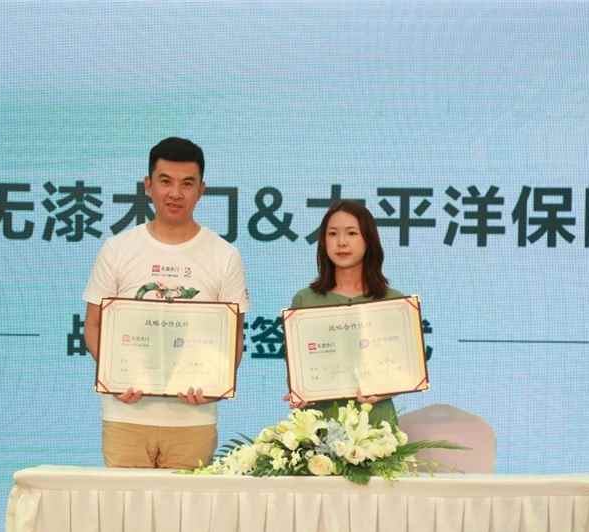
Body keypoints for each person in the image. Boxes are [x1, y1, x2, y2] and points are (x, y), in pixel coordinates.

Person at [82, 137, 248, 469]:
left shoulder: (225, 255)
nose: (175, 193)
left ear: (201, 190)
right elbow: (94, 325)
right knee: (125, 504)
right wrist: (114, 378)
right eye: (165, 181)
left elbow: (234, 338)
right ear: (148, 186)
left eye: (187, 183)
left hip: (193, 419)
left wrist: (215, 385)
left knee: (188, 505)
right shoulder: (117, 249)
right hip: (126, 415)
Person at [285, 200, 404, 426]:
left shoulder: (393, 302)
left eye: (351, 233)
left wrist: (386, 390)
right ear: (323, 242)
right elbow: (298, 369)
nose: (341, 242)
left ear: (368, 239)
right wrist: (299, 391)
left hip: (376, 422)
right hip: (319, 424)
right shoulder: (305, 300)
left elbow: (405, 370)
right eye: (332, 234)